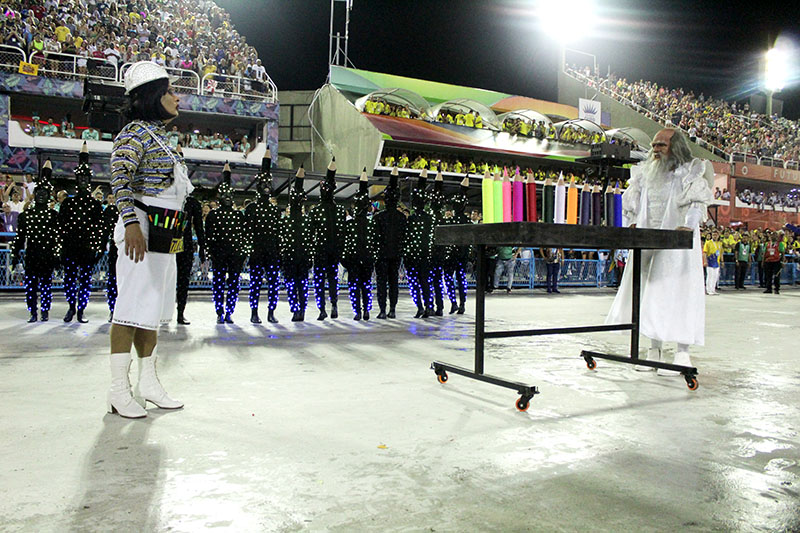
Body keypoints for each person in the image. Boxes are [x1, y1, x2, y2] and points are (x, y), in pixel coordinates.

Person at [109, 61, 191, 418]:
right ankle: (117, 390)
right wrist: (130, 223)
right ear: (154, 96)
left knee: (153, 311)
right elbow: (119, 178)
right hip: (140, 228)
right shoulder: (134, 133)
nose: (176, 97)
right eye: (170, 91)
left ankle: (149, 384)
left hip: (163, 230)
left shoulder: (159, 135)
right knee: (129, 308)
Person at [606, 128, 714, 375]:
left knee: (678, 293)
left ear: (675, 147)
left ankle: (681, 353)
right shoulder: (645, 173)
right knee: (648, 293)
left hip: (677, 244)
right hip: (648, 242)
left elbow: (696, 202)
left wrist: (688, 226)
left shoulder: (691, 170)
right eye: (653, 145)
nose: (655, 150)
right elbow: (632, 202)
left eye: (661, 145)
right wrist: (632, 221)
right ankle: (654, 348)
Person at [11, 161, 61, 323]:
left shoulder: (54, 216)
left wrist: (57, 255)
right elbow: (20, 238)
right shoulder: (26, 216)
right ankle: (33, 311)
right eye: (38, 192)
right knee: (31, 286)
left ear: (48, 196)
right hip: (32, 255)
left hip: (47, 256)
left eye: (44, 193)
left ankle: (45, 311)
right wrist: (15, 255)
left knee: (46, 285)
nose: (41, 195)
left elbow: (58, 238)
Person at [60, 143, 104, 323]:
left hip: (87, 248)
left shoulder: (95, 205)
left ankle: (81, 309)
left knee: (85, 281)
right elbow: (61, 228)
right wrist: (61, 249)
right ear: (76, 180)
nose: (83, 181)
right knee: (70, 280)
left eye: (86, 178)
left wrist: (99, 249)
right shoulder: (67, 204)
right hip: (71, 248)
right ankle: (71, 306)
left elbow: (100, 229)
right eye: (81, 178)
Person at [205, 164, 248, 323]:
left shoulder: (238, 216)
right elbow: (209, 236)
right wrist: (210, 253)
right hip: (220, 255)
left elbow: (244, 235)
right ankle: (220, 311)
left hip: (234, 255)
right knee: (219, 283)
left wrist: (243, 253)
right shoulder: (213, 215)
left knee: (232, 284)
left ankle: (229, 311)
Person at [245, 151, 282, 324]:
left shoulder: (275, 210)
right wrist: (248, 250)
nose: (267, 186)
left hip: (272, 252)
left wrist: (279, 252)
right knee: (256, 285)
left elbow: (278, 232)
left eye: (269, 183)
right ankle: (254, 312)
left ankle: (271, 312)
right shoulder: (252, 208)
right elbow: (246, 231)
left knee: (274, 284)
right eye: (264, 183)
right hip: (257, 252)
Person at [308, 158, 346, 321]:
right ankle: (332, 305)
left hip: (321, 250)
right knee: (332, 279)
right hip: (332, 250)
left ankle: (323, 308)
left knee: (321, 281)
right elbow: (342, 232)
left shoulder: (316, 211)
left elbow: (310, 234)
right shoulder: (339, 211)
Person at [175, 148, 206, 325]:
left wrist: (202, 247)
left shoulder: (192, 203)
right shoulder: (169, 198)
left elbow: (199, 228)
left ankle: (180, 312)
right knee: (166, 279)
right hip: (166, 244)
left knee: (183, 280)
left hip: (185, 244)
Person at [372, 167, 407, 319]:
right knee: (394, 282)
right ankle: (392, 309)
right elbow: (404, 236)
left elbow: (375, 237)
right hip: (396, 254)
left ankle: (382, 310)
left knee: (382, 283)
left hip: (382, 255)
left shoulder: (379, 217)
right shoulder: (402, 217)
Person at [342, 169, 376, 320]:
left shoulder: (354, 225)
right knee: (364, 286)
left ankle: (359, 311)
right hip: (361, 260)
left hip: (357, 260)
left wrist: (346, 260)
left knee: (356, 286)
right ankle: (363, 310)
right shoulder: (369, 224)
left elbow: (345, 243)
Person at [281, 167, 312, 321]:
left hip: (297, 258)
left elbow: (311, 240)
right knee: (298, 285)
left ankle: (298, 310)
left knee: (296, 285)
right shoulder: (290, 221)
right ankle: (298, 310)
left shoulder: (292, 221)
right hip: (294, 257)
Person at [404, 171, 435, 318]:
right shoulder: (430, 219)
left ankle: (420, 307)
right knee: (425, 283)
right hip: (425, 256)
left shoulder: (410, 220)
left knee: (415, 283)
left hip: (413, 256)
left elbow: (407, 237)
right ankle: (428, 306)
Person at [444, 176, 470, 314]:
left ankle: (454, 302)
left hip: (451, 255)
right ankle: (462, 304)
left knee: (449, 278)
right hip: (462, 255)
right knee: (461, 280)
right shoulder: (468, 222)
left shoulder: (450, 221)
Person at [703, 230, 722, 295]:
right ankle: (708, 290)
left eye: (716, 235)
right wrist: (705, 261)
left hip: (717, 262)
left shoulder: (719, 243)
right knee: (710, 276)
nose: (715, 236)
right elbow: (704, 252)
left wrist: (722, 260)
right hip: (710, 261)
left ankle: (713, 289)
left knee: (715, 276)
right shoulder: (708, 243)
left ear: (718, 236)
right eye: (713, 235)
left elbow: (720, 253)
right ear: (712, 235)